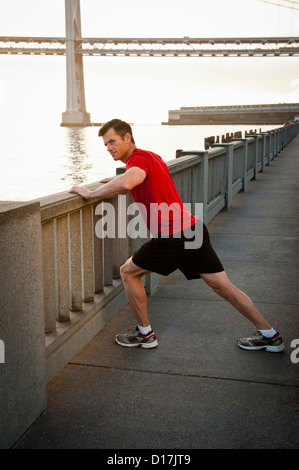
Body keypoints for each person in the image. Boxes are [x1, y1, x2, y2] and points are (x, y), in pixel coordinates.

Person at [70, 118, 284, 353]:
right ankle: (269, 335)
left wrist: (90, 194)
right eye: (105, 145)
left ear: (127, 138)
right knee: (223, 286)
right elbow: (136, 177)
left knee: (128, 272)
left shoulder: (138, 160)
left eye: (112, 141)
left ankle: (145, 334)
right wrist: (114, 179)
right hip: (192, 229)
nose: (109, 148)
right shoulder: (150, 157)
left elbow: (128, 182)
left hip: (174, 236)